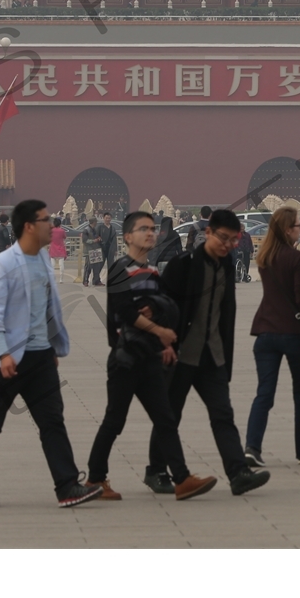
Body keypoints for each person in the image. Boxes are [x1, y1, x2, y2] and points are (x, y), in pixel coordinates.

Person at [0, 199, 103, 509]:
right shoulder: (4, 263)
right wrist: (3, 355)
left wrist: (52, 346)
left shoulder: (41, 259)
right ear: (28, 226)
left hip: (40, 356)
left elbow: (48, 309)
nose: (51, 226)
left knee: (52, 421)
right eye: (45, 220)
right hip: (8, 359)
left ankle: (67, 486)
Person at [85, 210, 216, 502]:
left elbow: (161, 308)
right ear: (128, 236)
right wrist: (161, 332)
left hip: (150, 359)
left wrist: (165, 343)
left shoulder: (153, 272)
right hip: (126, 359)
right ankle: (95, 478)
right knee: (114, 421)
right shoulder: (120, 269)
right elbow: (125, 313)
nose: (150, 233)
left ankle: (181, 479)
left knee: (165, 418)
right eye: (143, 229)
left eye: (152, 228)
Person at [145, 210, 270, 496]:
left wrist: (226, 355)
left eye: (233, 240)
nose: (227, 244)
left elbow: (227, 312)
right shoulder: (183, 265)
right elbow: (161, 305)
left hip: (212, 353)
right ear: (209, 233)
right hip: (181, 353)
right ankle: (155, 470)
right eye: (223, 238)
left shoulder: (226, 265)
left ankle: (238, 472)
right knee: (170, 415)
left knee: (222, 414)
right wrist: (163, 343)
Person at [244, 205, 300, 467]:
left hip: (265, 330)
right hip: (292, 333)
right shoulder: (296, 258)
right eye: (299, 225)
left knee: (264, 393)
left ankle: (252, 447)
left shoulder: (265, 256)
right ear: (289, 230)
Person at [83, 217, 105, 286]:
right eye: (96, 222)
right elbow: (84, 240)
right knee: (88, 267)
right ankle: (85, 281)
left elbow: (97, 236)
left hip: (96, 250)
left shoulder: (95, 229)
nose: (96, 223)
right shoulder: (86, 230)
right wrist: (93, 241)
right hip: (89, 250)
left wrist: (99, 238)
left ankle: (96, 281)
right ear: (93, 222)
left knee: (97, 267)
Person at [48, 216, 67, 281]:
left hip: (53, 249)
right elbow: (64, 237)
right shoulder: (62, 231)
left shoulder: (51, 231)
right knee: (61, 265)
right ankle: (61, 279)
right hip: (61, 249)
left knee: (52, 265)